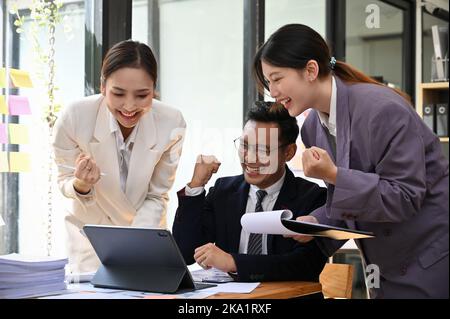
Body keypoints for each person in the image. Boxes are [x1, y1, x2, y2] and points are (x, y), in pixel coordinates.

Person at [253, 24, 449, 298]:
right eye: (268, 82)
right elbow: (350, 202)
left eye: (277, 79)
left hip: (430, 257)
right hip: (383, 264)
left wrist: (334, 175)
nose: (272, 91)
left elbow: (405, 197)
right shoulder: (312, 129)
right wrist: (315, 222)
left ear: (310, 70)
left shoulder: (383, 109)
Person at [53, 40, 186, 272]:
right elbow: (64, 181)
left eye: (142, 95)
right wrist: (81, 184)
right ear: (103, 86)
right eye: (118, 93)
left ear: (154, 90)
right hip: (91, 241)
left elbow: (157, 194)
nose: (129, 106)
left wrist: (134, 244)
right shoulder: (74, 117)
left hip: (144, 237)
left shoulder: (171, 123)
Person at [172, 102, 327, 282]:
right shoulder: (224, 191)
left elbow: (305, 265)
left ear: (289, 152)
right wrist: (196, 185)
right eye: (245, 145)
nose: (250, 159)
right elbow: (185, 252)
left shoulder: (312, 198)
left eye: (263, 150)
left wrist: (234, 263)